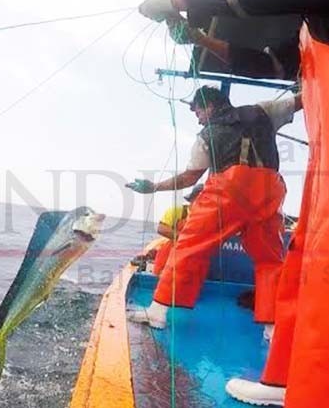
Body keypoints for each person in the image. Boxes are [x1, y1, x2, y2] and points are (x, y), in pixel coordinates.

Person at [138, 0, 329, 406]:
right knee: (301, 256)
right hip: (328, 151)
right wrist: (196, 36)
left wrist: (182, 1)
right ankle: (285, 379)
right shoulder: (321, 24)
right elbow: (262, 62)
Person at [126, 86, 299, 333]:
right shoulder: (265, 110)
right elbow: (301, 100)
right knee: (270, 260)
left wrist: (153, 187)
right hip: (270, 191)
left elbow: (188, 178)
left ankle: (157, 313)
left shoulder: (205, 136)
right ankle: (272, 329)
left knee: (188, 247)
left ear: (209, 106)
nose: (197, 118)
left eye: (197, 112)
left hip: (228, 191)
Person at [133, 184, 204, 274]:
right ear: (192, 199)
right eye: (200, 199)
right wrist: (189, 239)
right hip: (167, 260)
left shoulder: (210, 218)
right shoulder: (178, 211)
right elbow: (161, 228)